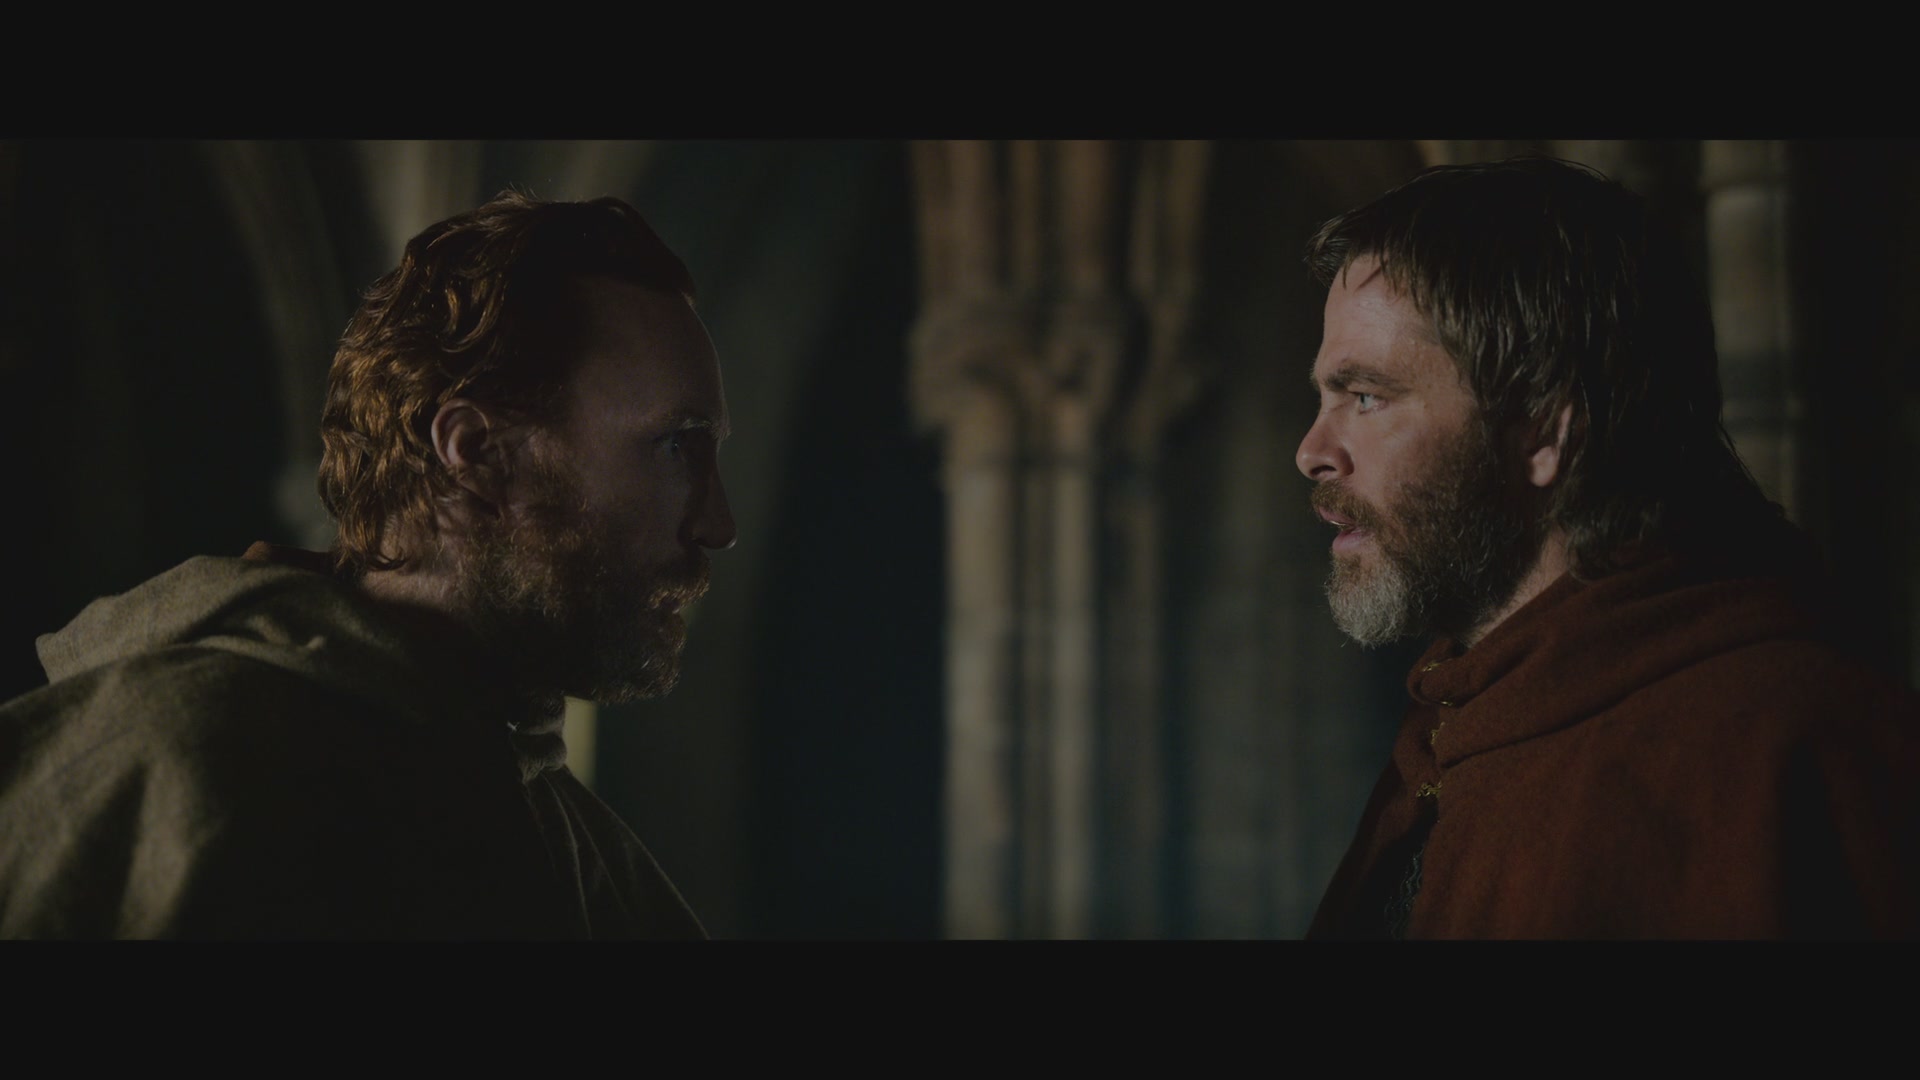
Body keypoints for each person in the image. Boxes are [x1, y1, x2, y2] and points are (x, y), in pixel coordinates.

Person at [0, 190, 736, 939]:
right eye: (676, 446)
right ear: (479, 453)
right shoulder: (182, 762)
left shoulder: (595, 866)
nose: (719, 525)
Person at [1296, 157, 1918, 939]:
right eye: (1325, 397)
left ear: (1544, 432)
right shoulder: (1452, 726)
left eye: (1365, 397)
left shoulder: (1791, 745)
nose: (1312, 452)